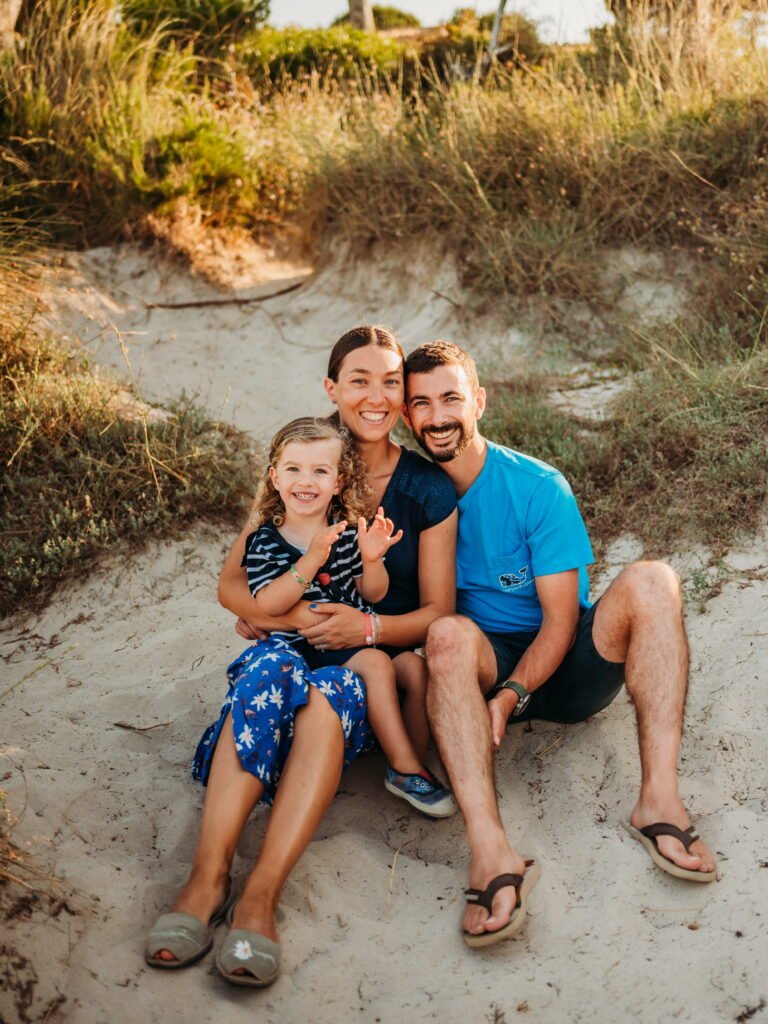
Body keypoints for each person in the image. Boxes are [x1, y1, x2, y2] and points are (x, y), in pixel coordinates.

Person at [146, 326, 457, 984]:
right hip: (289, 648)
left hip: (363, 664)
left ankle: (260, 896)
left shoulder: (426, 489)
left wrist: (364, 630)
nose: (376, 397)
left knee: (325, 699)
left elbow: (438, 611)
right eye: (359, 381)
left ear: (404, 395)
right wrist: (286, 618)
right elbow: (233, 587)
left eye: (390, 382)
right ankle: (206, 879)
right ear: (332, 389)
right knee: (267, 670)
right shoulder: (304, 455)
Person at [400, 339, 717, 949]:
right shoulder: (410, 497)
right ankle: (491, 852)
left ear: (478, 402)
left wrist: (514, 693)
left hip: (565, 666)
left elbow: (559, 621)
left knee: (653, 580)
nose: (438, 416)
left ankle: (659, 801)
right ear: (407, 416)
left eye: (451, 398)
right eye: (422, 403)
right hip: (477, 665)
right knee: (446, 634)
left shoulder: (536, 486)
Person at [223, 415, 454, 817]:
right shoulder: (265, 541)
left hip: (356, 637)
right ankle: (405, 768)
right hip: (309, 646)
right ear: (274, 478)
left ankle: (406, 762)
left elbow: (372, 593)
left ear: (338, 482)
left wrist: (371, 559)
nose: (306, 481)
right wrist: (311, 560)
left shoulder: (344, 532)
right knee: (376, 665)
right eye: (294, 470)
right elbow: (270, 604)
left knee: (416, 670)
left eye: (319, 472)